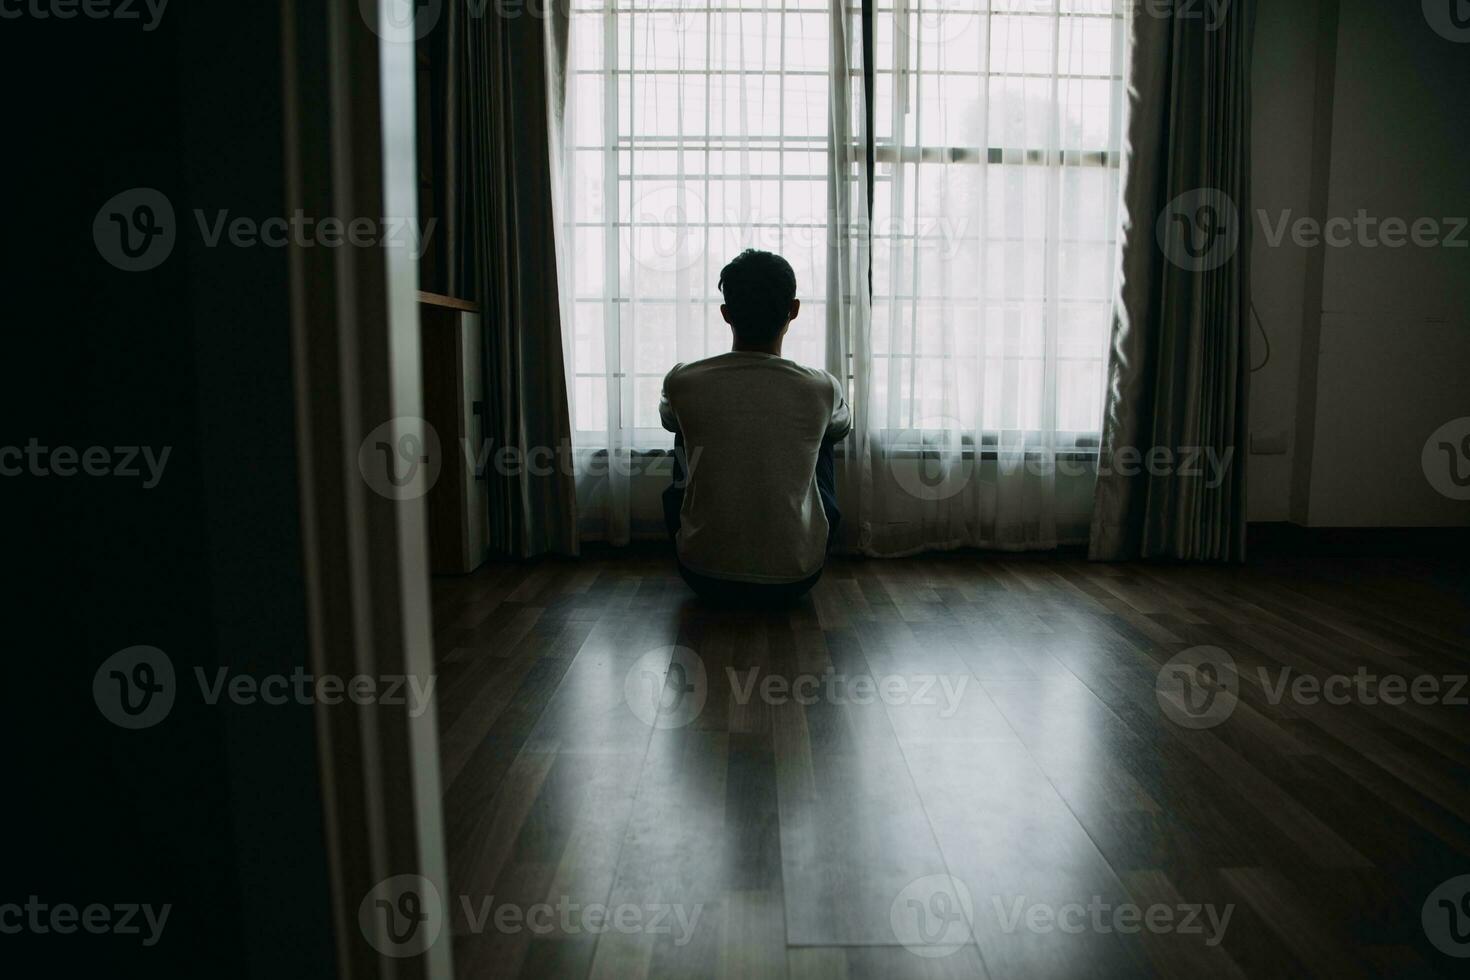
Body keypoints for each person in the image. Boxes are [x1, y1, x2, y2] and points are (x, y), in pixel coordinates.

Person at [659, 249, 850, 603]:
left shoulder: (683, 379)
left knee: (684, 429)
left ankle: (707, 538)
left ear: (726, 313)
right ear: (793, 310)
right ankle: (793, 540)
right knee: (823, 434)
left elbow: (668, 419)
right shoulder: (822, 386)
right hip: (796, 577)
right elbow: (843, 428)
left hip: (701, 575)